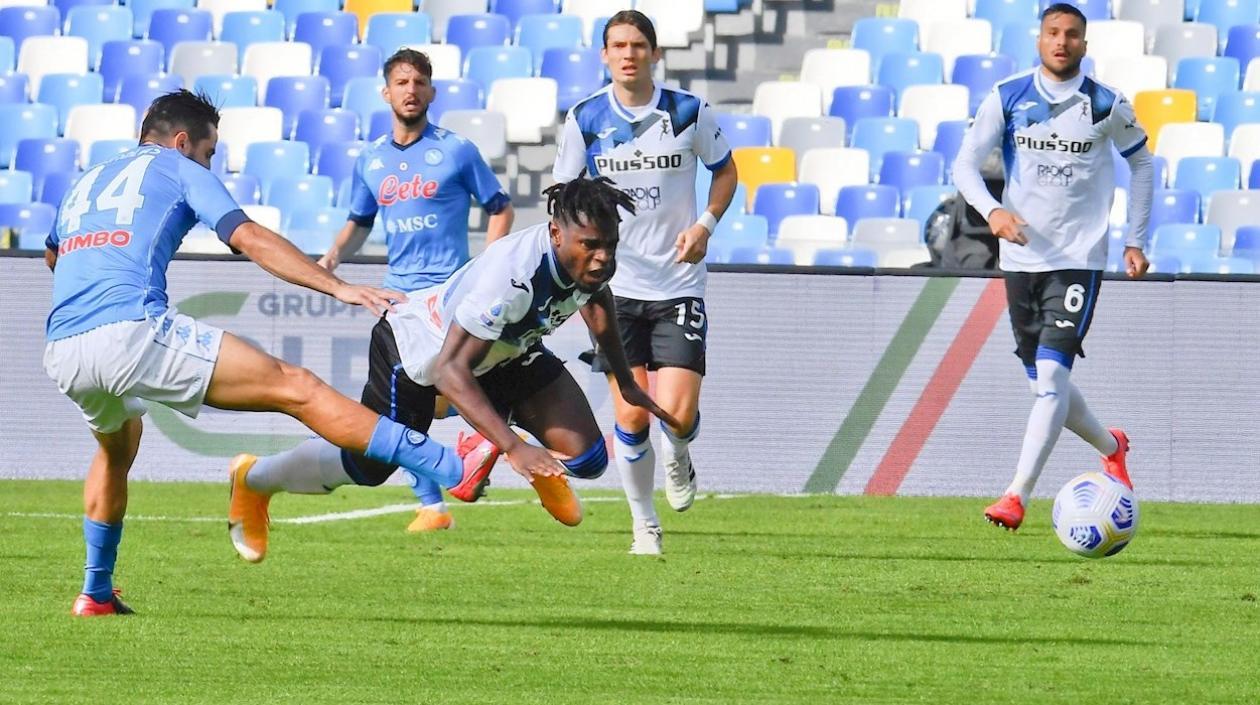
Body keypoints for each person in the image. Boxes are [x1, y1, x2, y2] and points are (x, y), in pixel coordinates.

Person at [42, 90, 484, 616]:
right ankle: (453, 466)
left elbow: (54, 253)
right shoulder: (177, 166)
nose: (209, 163)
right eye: (209, 153)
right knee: (294, 386)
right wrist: (337, 286)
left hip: (65, 347)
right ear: (183, 142)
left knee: (118, 446)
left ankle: (95, 592)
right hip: (130, 332)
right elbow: (247, 236)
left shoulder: (85, 181)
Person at [232, 178, 678, 547]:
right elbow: (449, 370)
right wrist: (514, 446)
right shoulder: (513, 276)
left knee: (588, 459)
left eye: (610, 245)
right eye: (592, 245)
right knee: (369, 468)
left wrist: (626, 380)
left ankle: (482, 442)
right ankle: (255, 478)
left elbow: (595, 298)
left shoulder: (589, 263)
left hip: (503, 353)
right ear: (556, 233)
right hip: (415, 355)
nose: (603, 257)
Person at [952, 3, 1153, 530]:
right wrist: (992, 210)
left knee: (1050, 379)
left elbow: (1142, 161)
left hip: (1078, 258)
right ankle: (1112, 446)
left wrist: (1134, 239)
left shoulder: (1106, 104)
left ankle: (1016, 496)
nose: (1061, 42)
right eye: (1053, 33)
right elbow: (964, 164)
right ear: (1039, 39)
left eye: (1072, 35)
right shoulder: (1008, 96)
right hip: (1020, 258)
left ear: (1085, 45)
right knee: (1044, 381)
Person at [552, 10, 737, 555]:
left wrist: (705, 225)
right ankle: (644, 525)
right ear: (604, 55)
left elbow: (726, 170)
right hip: (611, 289)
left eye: (637, 44)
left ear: (655, 54)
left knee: (675, 416)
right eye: (617, 45)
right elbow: (563, 196)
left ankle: (678, 451)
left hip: (678, 284)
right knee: (631, 412)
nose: (628, 53)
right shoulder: (585, 118)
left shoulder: (688, 111)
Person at [316, 48, 515, 534]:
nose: (411, 90)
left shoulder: (457, 151)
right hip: (398, 298)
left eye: (419, 81)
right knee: (408, 401)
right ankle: (433, 501)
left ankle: (473, 452)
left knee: (440, 391)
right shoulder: (371, 159)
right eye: (402, 82)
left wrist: (489, 262)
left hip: (449, 291)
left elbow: (500, 207)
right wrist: (332, 259)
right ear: (386, 92)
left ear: (432, 91)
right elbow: (359, 221)